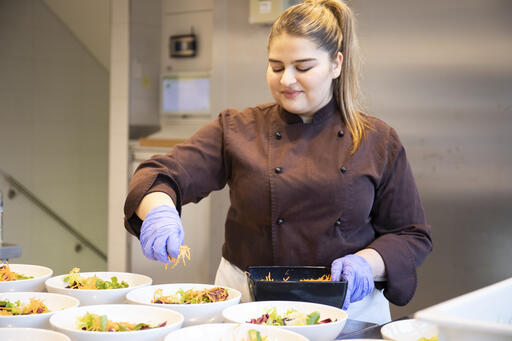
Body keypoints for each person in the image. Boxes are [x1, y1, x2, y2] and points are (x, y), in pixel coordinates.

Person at [124, 0, 432, 324]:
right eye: (276, 66)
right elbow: (161, 174)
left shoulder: (377, 140)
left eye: (303, 67)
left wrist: (368, 264)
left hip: (347, 313)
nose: (286, 80)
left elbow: (411, 235)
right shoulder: (238, 129)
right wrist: (158, 209)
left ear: (336, 64)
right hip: (248, 309)